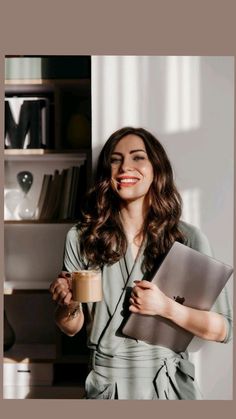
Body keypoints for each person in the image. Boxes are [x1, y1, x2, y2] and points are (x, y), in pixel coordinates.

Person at [49, 127, 233, 400]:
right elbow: (71, 327)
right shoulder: (80, 238)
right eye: (115, 159)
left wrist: (166, 308)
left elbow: (223, 330)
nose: (125, 167)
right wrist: (69, 305)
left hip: (169, 387)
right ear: (106, 173)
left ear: (156, 169)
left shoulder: (187, 238)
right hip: (107, 386)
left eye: (138, 158)